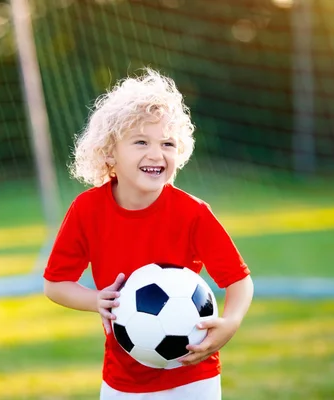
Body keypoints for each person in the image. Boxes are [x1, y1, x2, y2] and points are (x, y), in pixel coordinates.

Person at [43, 68, 254, 399]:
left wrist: (231, 322)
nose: (156, 154)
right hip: (123, 379)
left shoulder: (193, 213)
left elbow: (239, 281)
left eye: (167, 143)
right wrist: (95, 300)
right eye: (141, 141)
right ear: (109, 152)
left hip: (193, 372)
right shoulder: (87, 210)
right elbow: (55, 284)